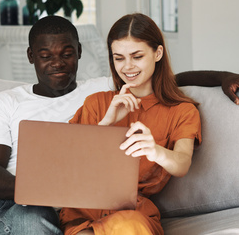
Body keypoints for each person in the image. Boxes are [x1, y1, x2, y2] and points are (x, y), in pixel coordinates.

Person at [0, 15, 239, 235]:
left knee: (33, 226)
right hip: (17, 195)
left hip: (55, 207)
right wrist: (48, 186)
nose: (57, 63)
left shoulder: (105, 90)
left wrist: (226, 75)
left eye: (66, 53)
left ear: (80, 54)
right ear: (31, 57)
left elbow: (165, 83)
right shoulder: (16, 101)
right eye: (45, 55)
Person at [60, 13, 200, 234]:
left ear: (158, 53)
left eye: (137, 56)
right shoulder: (97, 103)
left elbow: (182, 163)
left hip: (132, 214)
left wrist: (155, 151)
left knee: (127, 228)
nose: (127, 67)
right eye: (119, 58)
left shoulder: (182, 111)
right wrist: (106, 123)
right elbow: (69, 164)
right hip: (84, 209)